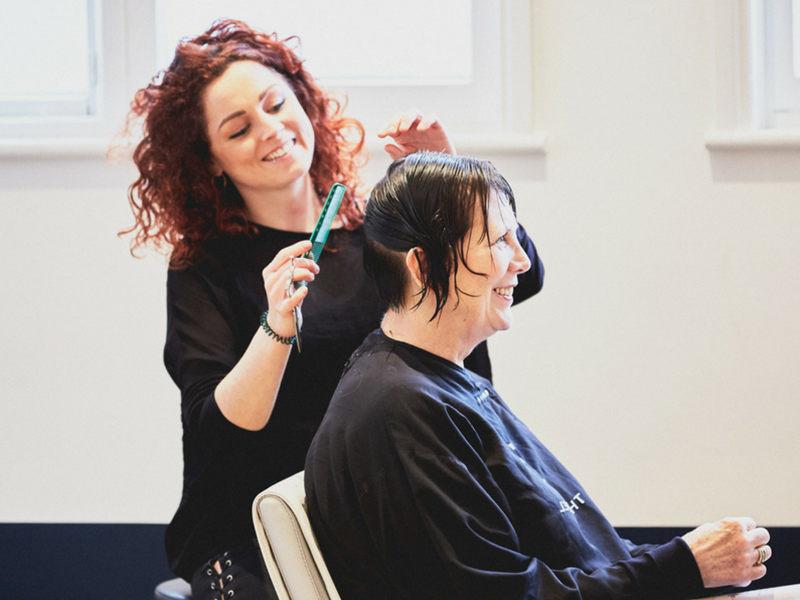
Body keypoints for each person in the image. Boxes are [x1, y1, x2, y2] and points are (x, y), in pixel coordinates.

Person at [121, 19, 544, 600]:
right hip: (265, 528)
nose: (271, 131)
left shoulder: (382, 231)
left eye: (276, 104)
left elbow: (519, 278)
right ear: (210, 159)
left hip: (406, 505)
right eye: (239, 128)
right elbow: (219, 429)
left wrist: (457, 190)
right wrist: (275, 326)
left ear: (304, 103)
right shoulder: (207, 266)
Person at [304, 151, 772, 600]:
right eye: (496, 242)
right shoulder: (397, 409)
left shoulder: (437, 379)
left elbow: (574, 553)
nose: (521, 261)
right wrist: (681, 566)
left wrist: (692, 566)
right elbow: (500, 594)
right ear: (424, 266)